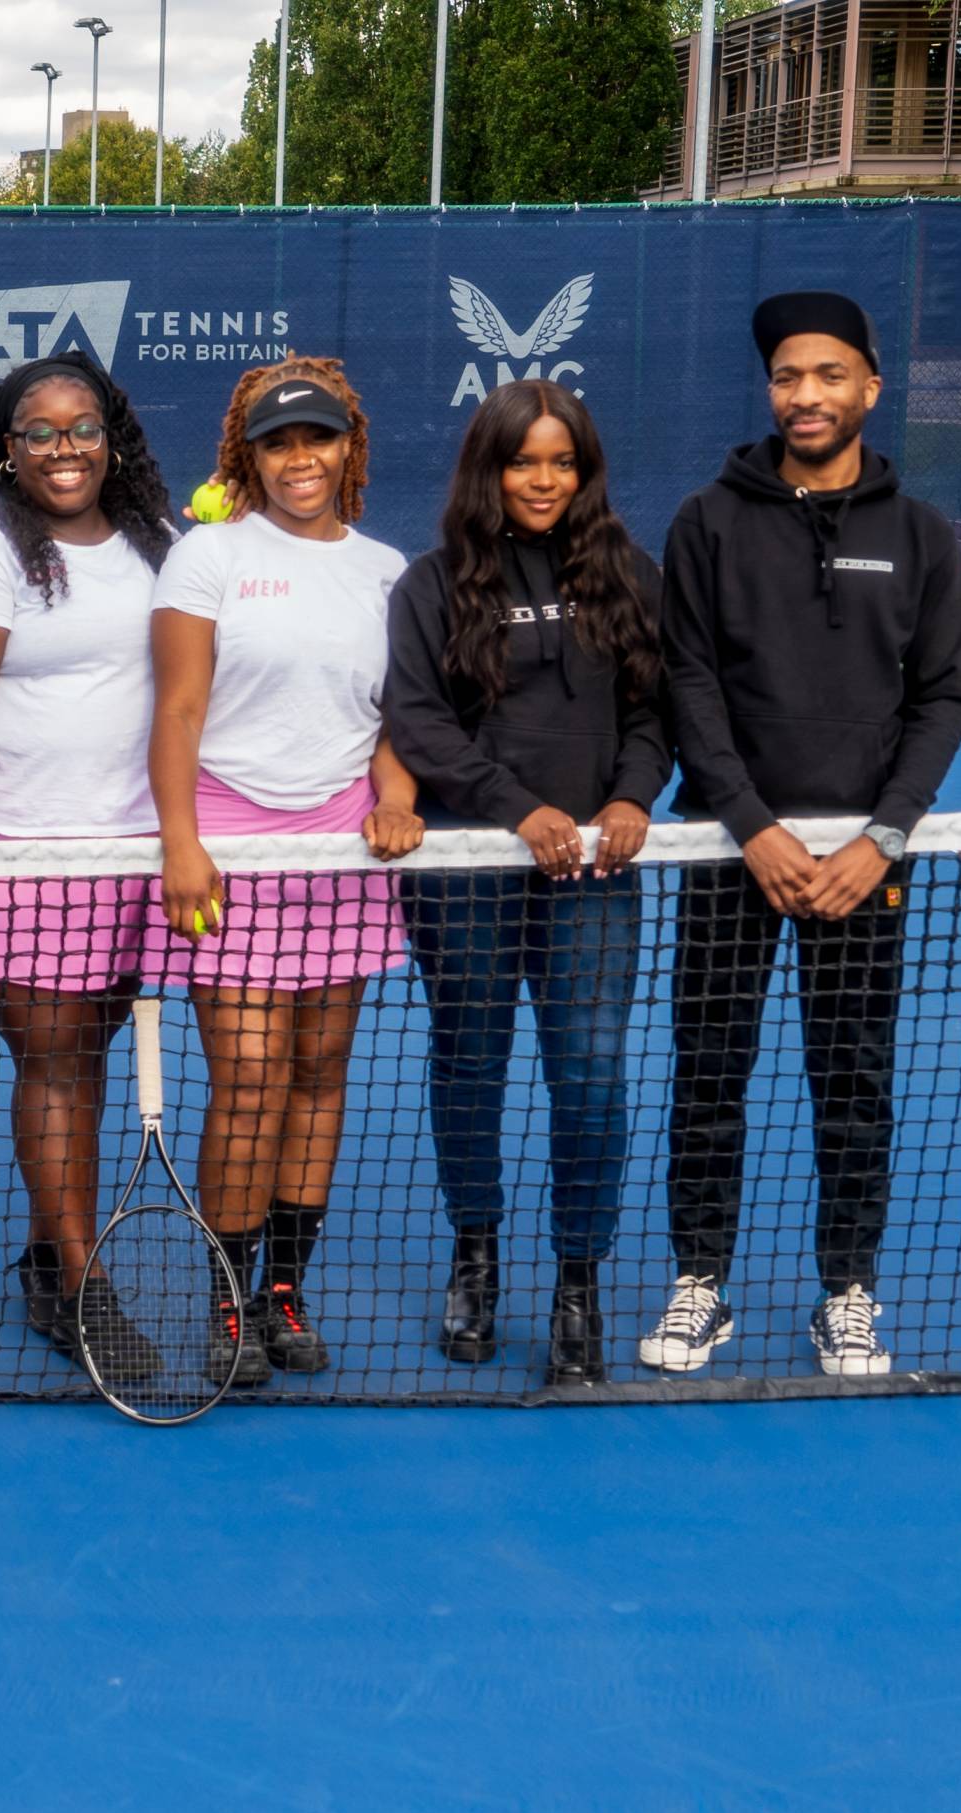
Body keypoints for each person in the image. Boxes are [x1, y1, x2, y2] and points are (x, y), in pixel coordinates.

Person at [649, 289, 961, 1379]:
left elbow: (942, 698)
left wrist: (880, 837)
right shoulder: (706, 520)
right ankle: (700, 1281)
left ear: (868, 391)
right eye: (788, 377)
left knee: (852, 1078)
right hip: (728, 853)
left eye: (829, 375)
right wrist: (747, 825)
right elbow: (686, 681)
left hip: (861, 866)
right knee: (709, 1072)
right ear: (770, 391)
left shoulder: (921, 536)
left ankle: (848, 1289)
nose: (806, 395)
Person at [382, 379, 669, 1386]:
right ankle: (476, 1253)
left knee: (590, 1071)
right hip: (466, 870)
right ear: (487, 469)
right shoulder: (431, 584)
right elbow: (417, 721)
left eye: (561, 460)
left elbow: (652, 711)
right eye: (522, 460)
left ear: (583, 470)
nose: (542, 479)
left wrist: (630, 799)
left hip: (595, 869)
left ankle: (578, 1283)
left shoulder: (630, 573)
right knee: (471, 1063)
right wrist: (519, 809)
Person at [148, 358, 422, 1388]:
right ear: (247, 456)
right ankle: (227, 1301)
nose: (298, 458)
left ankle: (282, 1294)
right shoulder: (207, 558)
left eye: (316, 438)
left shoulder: (388, 571)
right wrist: (180, 841)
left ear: (347, 445)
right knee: (249, 1078)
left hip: (344, 845)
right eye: (276, 443)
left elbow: (394, 716)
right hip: (228, 838)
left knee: (317, 1075)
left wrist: (394, 795)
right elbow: (176, 709)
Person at [0, 349, 173, 1380]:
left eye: (82, 428)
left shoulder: (160, 544)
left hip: (135, 853)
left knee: (85, 1057)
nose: (63, 447)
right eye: (39, 431)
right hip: (19, 852)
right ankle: (82, 1284)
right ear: (5, 449)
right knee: (56, 1057)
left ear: (112, 439)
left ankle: (48, 1254)